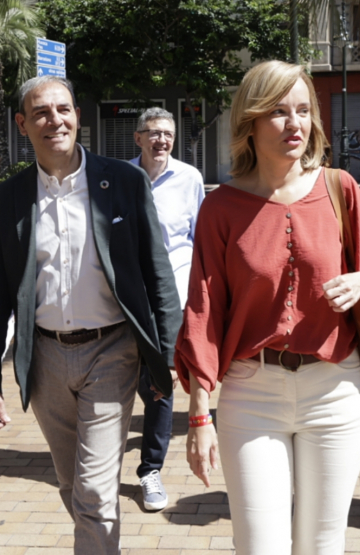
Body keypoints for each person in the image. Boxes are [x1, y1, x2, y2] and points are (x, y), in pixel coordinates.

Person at [175, 60, 360, 555]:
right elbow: (203, 312)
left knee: (322, 545)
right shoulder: (220, 208)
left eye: (303, 110)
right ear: (250, 123)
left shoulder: (339, 188)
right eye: (278, 111)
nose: (295, 123)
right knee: (259, 546)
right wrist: (198, 414)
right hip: (251, 392)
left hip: (335, 389)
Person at [0, 76, 182, 554]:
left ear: (78, 116)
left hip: (113, 352)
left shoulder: (123, 182)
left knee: (94, 489)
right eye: (41, 113)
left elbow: (158, 273)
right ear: (23, 124)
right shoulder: (8, 198)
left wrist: (166, 355)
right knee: (72, 485)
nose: (55, 120)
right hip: (45, 359)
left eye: (63, 109)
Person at [128, 107, 205, 511]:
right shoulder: (119, 178)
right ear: (137, 137)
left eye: (168, 135)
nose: (161, 141)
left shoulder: (190, 179)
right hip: (123, 303)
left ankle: (149, 470)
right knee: (118, 383)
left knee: (161, 386)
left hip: (171, 304)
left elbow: (200, 241)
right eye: (154, 133)